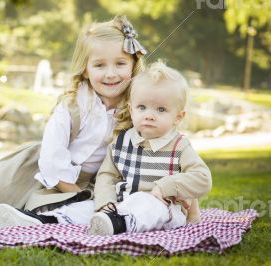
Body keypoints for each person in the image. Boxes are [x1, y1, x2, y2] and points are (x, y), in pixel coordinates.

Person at [0, 15, 147, 227]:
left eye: (120, 64)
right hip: (48, 172)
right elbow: (52, 159)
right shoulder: (72, 106)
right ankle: (30, 213)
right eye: (99, 65)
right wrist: (77, 194)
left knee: (96, 211)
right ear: (85, 69)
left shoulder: (139, 106)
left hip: (99, 182)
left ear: (133, 65)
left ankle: (33, 219)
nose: (111, 74)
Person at [88, 61, 212, 236]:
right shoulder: (121, 142)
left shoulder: (179, 146)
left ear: (178, 117)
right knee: (87, 204)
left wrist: (165, 187)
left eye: (161, 109)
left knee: (147, 205)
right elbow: (107, 176)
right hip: (122, 204)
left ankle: (118, 223)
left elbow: (203, 178)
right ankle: (52, 218)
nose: (149, 115)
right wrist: (105, 202)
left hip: (163, 209)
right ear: (131, 110)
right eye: (142, 107)